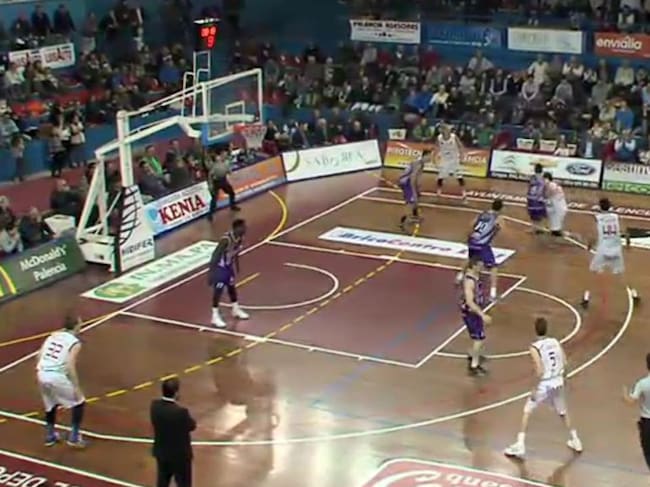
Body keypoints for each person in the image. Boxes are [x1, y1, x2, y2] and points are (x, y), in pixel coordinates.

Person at [504, 317, 582, 458]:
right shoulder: (555, 342)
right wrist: (565, 379)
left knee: (527, 411)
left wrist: (535, 388)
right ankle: (576, 440)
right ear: (547, 328)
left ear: (535, 330)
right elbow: (565, 362)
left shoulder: (534, 347)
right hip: (558, 381)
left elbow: (539, 370)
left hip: (544, 384)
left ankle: (520, 444)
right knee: (563, 412)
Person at [35, 315, 86, 448]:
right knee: (79, 402)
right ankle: (74, 437)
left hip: (42, 373)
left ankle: (50, 435)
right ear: (76, 326)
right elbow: (70, 365)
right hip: (56, 375)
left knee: (50, 404)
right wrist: (76, 386)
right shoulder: (75, 342)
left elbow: (39, 356)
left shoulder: (52, 336)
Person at [582, 197, 639, 308]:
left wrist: (589, 246)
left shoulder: (597, 219)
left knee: (592, 274)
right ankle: (634, 294)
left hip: (602, 251)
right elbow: (625, 232)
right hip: (616, 250)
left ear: (599, 207)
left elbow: (593, 235)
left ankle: (586, 298)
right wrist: (628, 245)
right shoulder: (616, 217)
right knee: (623, 275)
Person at [150, 378, 195, 487]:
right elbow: (191, 426)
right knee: (184, 483)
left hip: (162, 453)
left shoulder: (154, 406)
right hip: (180, 456)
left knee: (162, 482)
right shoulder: (181, 412)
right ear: (176, 393)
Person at [208, 218, 250, 328]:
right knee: (218, 290)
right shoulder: (226, 240)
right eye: (243, 227)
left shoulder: (240, 238)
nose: (245, 229)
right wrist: (211, 273)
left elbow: (235, 253)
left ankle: (235, 309)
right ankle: (214, 315)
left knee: (231, 287)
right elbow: (215, 255)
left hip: (228, 266)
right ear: (236, 228)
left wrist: (237, 266)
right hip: (220, 267)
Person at [465, 199, 504, 300]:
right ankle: (493, 294)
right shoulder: (498, 217)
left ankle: (460, 276)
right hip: (482, 244)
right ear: (501, 208)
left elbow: (471, 224)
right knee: (493, 268)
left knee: (472, 261)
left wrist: (470, 236)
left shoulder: (483, 213)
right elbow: (500, 227)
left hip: (472, 241)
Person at [459, 255, 492, 376]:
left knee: (476, 337)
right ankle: (474, 366)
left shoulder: (475, 276)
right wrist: (482, 315)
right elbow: (469, 301)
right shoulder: (470, 281)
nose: (482, 267)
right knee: (479, 338)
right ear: (474, 266)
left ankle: (473, 354)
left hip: (474, 311)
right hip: (471, 312)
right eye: (480, 265)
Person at [623, 353, 650, 471]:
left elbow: (631, 401)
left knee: (647, 451)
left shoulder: (642, 383)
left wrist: (624, 394)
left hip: (647, 423)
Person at [435, 124, 466, 201]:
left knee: (459, 176)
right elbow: (436, 147)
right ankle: (438, 192)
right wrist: (435, 156)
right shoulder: (439, 138)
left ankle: (464, 193)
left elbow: (460, 146)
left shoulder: (454, 137)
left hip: (454, 159)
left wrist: (462, 156)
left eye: (446, 129)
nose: (445, 131)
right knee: (440, 177)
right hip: (444, 159)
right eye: (443, 130)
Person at [207, 151, 240, 221]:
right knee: (214, 198)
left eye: (219, 156)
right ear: (216, 158)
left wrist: (233, 175)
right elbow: (210, 176)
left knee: (231, 193)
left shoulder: (225, 164)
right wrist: (210, 184)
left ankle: (232, 206)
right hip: (216, 182)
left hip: (223, 180)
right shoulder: (214, 166)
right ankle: (210, 214)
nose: (219, 158)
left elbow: (229, 171)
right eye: (217, 157)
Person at [398, 152, 426, 231]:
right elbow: (413, 178)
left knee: (415, 201)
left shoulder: (420, 163)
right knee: (410, 203)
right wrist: (415, 190)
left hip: (407, 182)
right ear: (425, 156)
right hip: (408, 184)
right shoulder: (418, 164)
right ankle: (403, 222)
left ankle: (415, 216)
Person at [543, 172, 567, 237]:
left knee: (558, 214)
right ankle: (555, 229)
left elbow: (551, 191)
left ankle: (555, 229)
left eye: (545, 178)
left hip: (558, 201)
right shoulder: (550, 184)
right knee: (554, 214)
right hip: (555, 201)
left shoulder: (551, 184)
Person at [527, 163, 546, 234]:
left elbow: (540, 188)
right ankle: (539, 228)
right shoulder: (541, 178)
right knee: (538, 213)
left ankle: (535, 228)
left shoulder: (537, 178)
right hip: (535, 198)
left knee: (535, 214)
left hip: (534, 198)